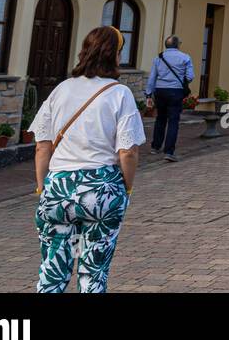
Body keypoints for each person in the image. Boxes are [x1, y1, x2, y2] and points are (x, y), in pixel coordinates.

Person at [29, 26, 144, 293]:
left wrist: (41, 185)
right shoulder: (120, 94)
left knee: (52, 271)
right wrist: (126, 187)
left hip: (58, 187)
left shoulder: (61, 90)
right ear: (115, 55)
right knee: (93, 272)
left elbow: (42, 146)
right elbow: (128, 151)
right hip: (101, 187)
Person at [145, 35, 194, 162]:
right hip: (175, 91)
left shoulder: (158, 58)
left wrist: (148, 94)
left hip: (160, 91)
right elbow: (190, 77)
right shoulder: (185, 57)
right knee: (173, 121)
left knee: (160, 118)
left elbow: (152, 78)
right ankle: (169, 152)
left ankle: (155, 147)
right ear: (177, 45)